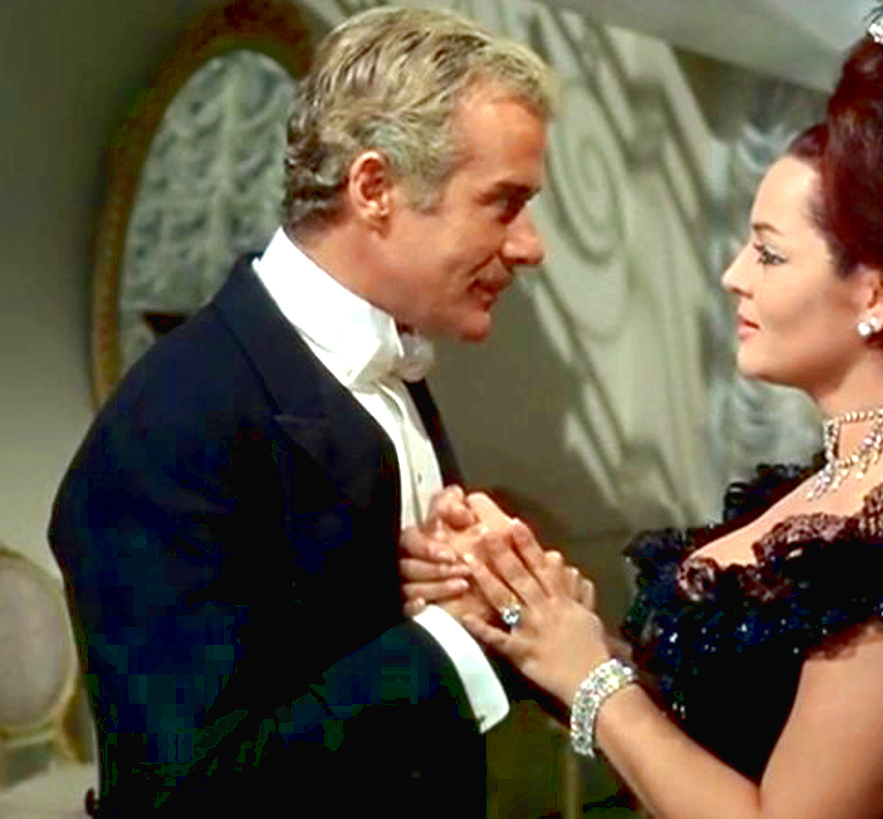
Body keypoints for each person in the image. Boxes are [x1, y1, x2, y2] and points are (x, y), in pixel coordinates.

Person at [401, 1, 883, 816]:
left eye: (768, 251)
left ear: (877, 294)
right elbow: (718, 730)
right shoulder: (859, 475)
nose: (734, 275)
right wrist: (530, 613)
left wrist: (585, 668)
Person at [48, 7, 557, 816]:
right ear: (375, 189)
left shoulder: (388, 365)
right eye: (504, 203)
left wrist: (502, 595)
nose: (531, 246)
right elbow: (185, 795)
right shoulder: (170, 429)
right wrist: (454, 639)